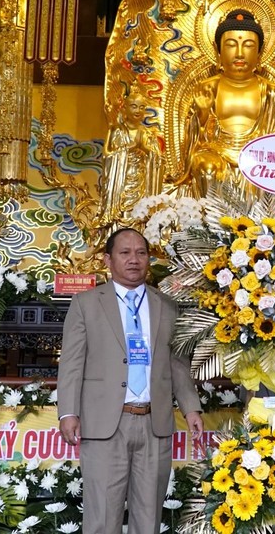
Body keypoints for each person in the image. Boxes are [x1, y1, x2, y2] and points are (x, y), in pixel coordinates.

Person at [58, 228, 203, 534]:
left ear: (149, 259)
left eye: (141, 253)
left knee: (148, 516)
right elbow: (71, 363)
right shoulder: (86, 303)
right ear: (108, 259)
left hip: (155, 423)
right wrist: (68, 412)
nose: (134, 260)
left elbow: (178, 363)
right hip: (105, 425)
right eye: (125, 253)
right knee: (102, 517)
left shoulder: (167, 306)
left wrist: (191, 408)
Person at [170, 8, 275, 200]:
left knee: (267, 170)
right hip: (216, 153)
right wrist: (201, 114)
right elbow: (194, 142)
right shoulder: (208, 88)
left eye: (249, 45)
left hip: (257, 156)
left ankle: (260, 224)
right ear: (218, 51)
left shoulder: (271, 92)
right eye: (231, 45)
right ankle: (210, 223)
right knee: (205, 165)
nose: (240, 53)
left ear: (259, 53)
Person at [98, 87, 164, 226]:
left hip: (141, 183)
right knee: (121, 214)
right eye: (133, 106)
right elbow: (107, 156)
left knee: (140, 215)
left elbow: (158, 160)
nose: (138, 111)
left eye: (141, 107)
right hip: (121, 183)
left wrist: (147, 151)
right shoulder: (118, 130)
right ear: (124, 109)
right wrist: (129, 149)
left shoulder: (147, 133)